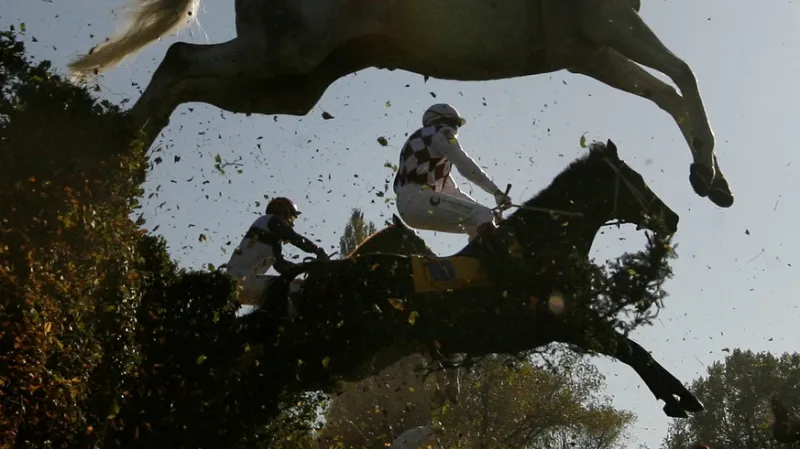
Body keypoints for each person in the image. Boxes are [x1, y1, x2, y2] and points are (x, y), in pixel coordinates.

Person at [393, 103, 512, 242]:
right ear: (446, 121)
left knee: (476, 224)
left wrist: (490, 214)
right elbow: (465, 164)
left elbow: (453, 193)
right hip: (418, 200)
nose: (455, 131)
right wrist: (495, 192)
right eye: (455, 125)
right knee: (482, 216)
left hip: (410, 207)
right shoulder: (440, 132)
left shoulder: (428, 154)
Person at [223, 196, 329, 309]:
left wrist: (306, 268)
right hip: (244, 280)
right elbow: (294, 238)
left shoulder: (268, 234)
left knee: (280, 299)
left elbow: (280, 265)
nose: (291, 223)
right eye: (292, 218)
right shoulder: (271, 220)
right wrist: (317, 250)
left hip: (240, 285)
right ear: (284, 212)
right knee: (297, 286)